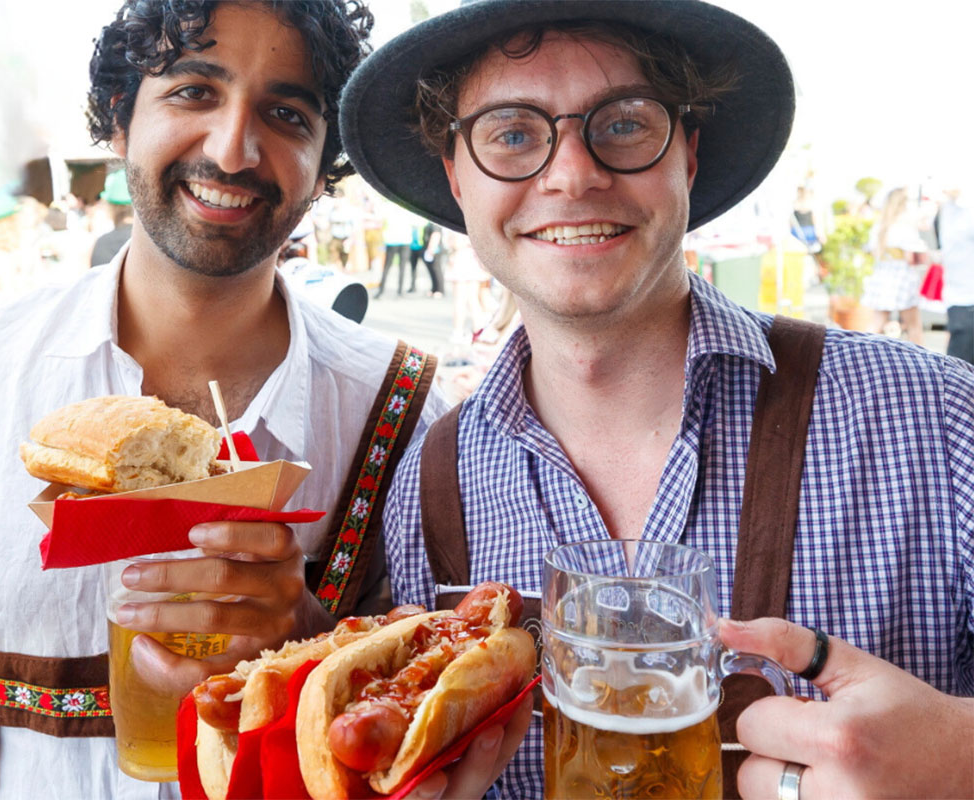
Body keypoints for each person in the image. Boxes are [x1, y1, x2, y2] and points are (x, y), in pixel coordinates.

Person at [0, 3, 451, 798]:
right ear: (120, 119)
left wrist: (310, 646)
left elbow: (430, 730)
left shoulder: (406, 412)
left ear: (322, 161)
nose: (233, 148)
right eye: (195, 92)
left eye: (285, 113)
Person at [340, 1, 974, 798]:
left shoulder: (940, 419)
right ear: (455, 178)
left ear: (689, 155)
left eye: (625, 124)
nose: (572, 174)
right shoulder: (429, 491)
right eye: (511, 133)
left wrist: (960, 759)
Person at [860, 187, 928, 345]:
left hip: (882, 276)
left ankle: (861, 350)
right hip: (902, 278)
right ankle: (921, 364)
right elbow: (911, 257)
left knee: (876, 323)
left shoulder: (879, 227)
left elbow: (871, 253)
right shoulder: (905, 227)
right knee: (913, 326)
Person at [937, 179, 974, 364]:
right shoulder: (951, 210)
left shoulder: (960, 209)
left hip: (963, 300)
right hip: (962, 300)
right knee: (960, 369)